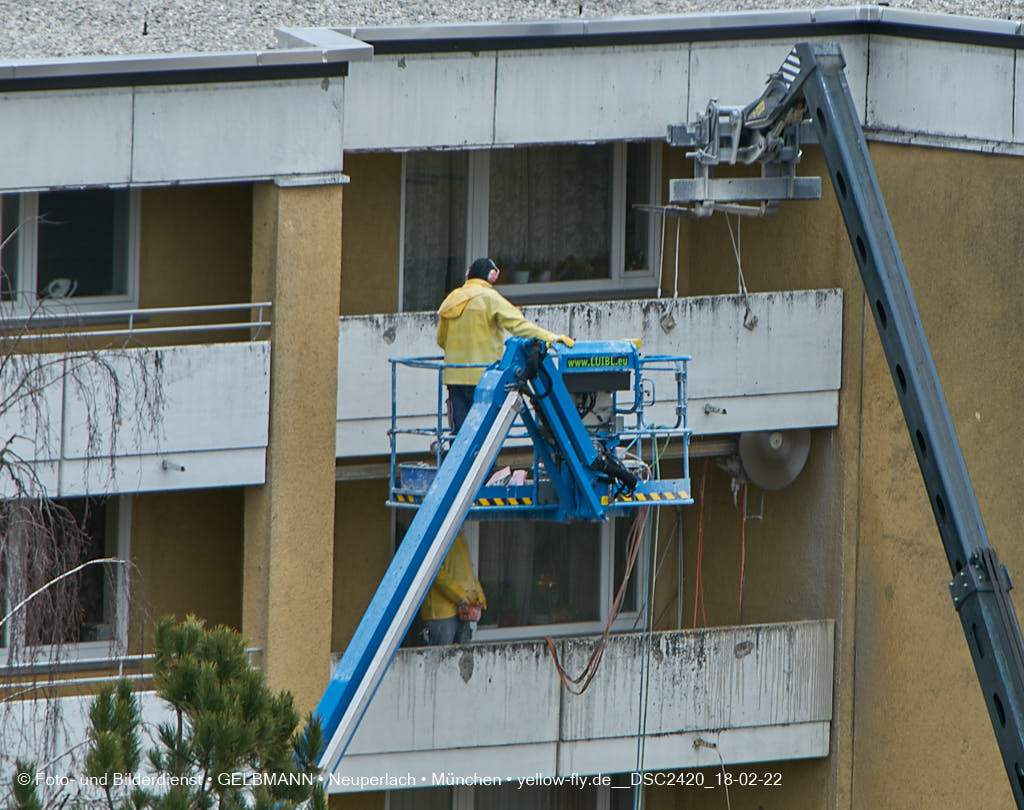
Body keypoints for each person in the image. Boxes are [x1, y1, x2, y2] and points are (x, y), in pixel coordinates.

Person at [436, 257, 575, 433]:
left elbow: (441, 340)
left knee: (459, 437)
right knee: (483, 435)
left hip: (454, 377)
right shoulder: (490, 298)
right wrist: (552, 337)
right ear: (492, 276)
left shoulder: (452, 299)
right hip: (484, 377)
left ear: (468, 274)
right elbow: (519, 326)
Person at [421, 531, 486, 645]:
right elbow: (435, 573)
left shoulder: (458, 536)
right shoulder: (433, 535)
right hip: (441, 614)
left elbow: (469, 572)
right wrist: (463, 598)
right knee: (442, 655)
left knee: (462, 654)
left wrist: (478, 599)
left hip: (463, 611)